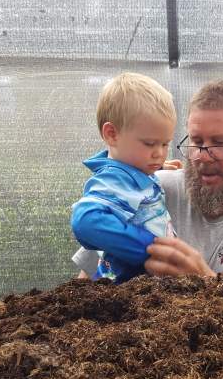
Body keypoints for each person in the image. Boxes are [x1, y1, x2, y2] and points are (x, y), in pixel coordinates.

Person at [73, 79, 223, 279]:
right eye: (196, 141)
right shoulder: (150, 190)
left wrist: (204, 283)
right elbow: (88, 286)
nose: (202, 156)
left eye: (220, 143)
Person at [71, 72, 178, 284]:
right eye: (149, 144)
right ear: (112, 134)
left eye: (165, 144)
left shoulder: (131, 172)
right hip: (127, 288)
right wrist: (148, 248)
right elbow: (86, 219)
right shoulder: (113, 179)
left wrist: (155, 169)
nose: (159, 153)